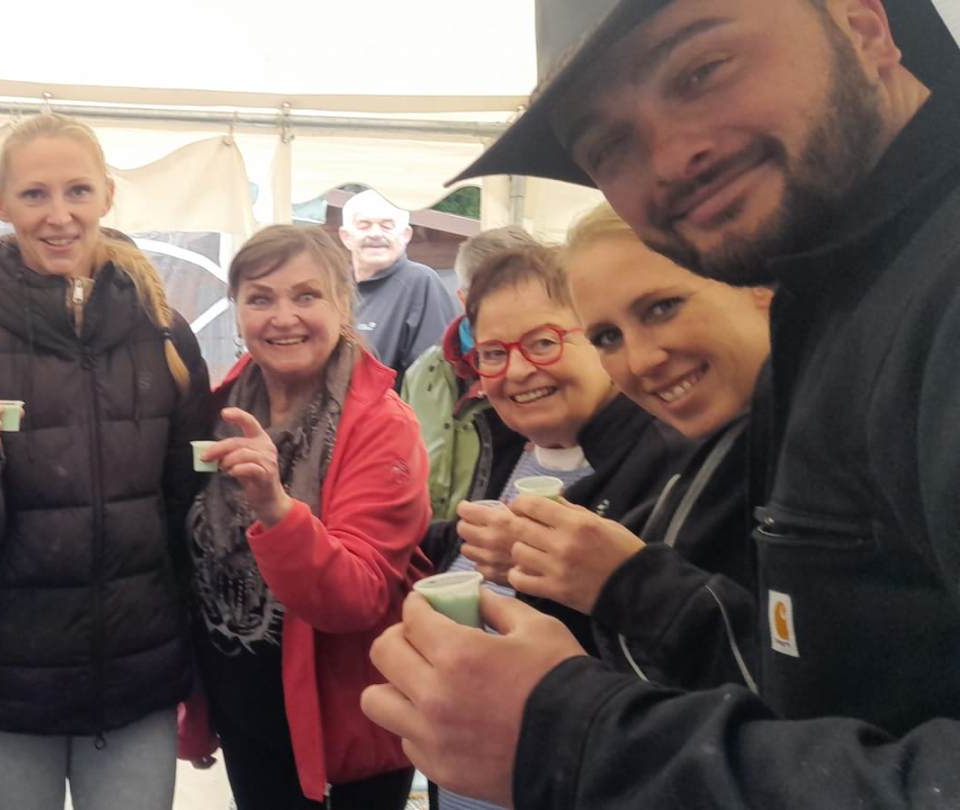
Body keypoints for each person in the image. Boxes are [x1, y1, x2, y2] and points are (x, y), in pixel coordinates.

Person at [362, 0, 960, 806]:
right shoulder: (837, 310)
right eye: (610, 146)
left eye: (701, 71)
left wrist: (576, 739)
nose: (672, 160)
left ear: (863, 24)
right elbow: (828, 691)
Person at [0, 112, 210, 810]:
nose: (59, 215)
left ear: (107, 194)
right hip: (1, 681)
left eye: (77, 191)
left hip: (135, 680)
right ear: (0, 204)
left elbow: (185, 512)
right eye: (34, 194)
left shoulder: (164, 334)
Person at [414, 233, 685, 810]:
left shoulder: (668, 465)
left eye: (542, 342)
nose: (516, 371)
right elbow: (464, 553)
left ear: (601, 339)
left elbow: (679, 651)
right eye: (493, 352)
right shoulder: (501, 441)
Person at [469, 203, 771, 691]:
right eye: (609, 336)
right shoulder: (720, 454)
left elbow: (812, 699)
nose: (641, 360)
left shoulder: (837, 444)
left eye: (662, 308)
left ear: (757, 283)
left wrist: (624, 583)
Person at [185, 224, 429, 809]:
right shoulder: (218, 410)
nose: (283, 317)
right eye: (260, 298)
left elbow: (358, 597)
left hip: (345, 729)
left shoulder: (382, 425)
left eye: (306, 296)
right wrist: (196, 708)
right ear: (237, 310)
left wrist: (276, 509)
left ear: (344, 304)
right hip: (245, 711)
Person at [401, 227, 542, 521]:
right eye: (490, 295)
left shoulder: (543, 371)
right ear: (463, 298)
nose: (504, 308)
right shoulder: (423, 373)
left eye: (518, 293)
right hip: (433, 539)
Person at [338, 189, 460, 384]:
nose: (375, 234)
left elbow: (432, 378)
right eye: (364, 225)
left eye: (387, 226)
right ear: (346, 237)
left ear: (406, 235)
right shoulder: (334, 286)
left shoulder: (420, 283)